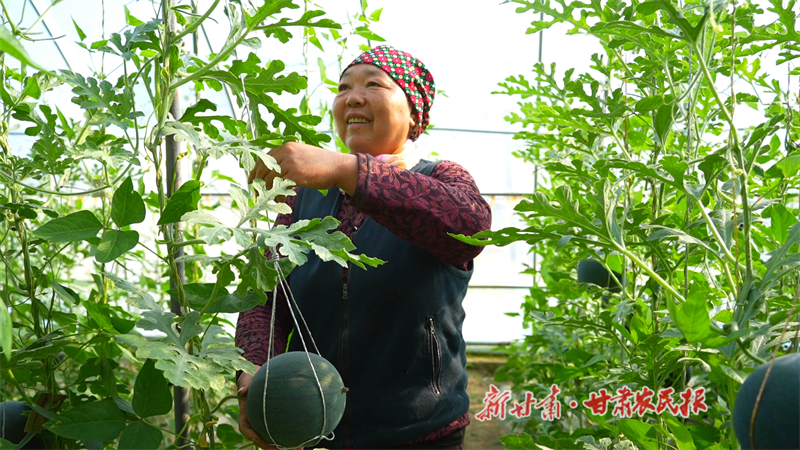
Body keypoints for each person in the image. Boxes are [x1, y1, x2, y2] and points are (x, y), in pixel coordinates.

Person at [235, 45, 492, 450]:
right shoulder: (301, 200)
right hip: (317, 431)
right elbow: (266, 296)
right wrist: (254, 374)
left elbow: (469, 224)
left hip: (420, 436)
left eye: (374, 84)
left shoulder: (442, 177)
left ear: (413, 113)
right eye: (343, 88)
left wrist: (345, 169)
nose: (352, 97)